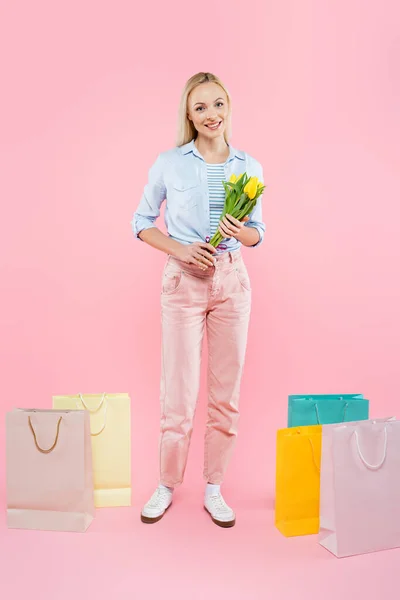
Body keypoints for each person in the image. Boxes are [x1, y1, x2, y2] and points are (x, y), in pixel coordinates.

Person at [131, 72, 266, 528]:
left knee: (226, 396)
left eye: (219, 104)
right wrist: (180, 249)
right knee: (179, 395)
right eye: (201, 108)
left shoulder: (249, 166)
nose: (212, 115)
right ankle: (167, 484)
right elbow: (142, 222)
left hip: (232, 282)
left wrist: (238, 232)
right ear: (189, 115)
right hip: (183, 283)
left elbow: (257, 234)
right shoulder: (169, 162)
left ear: (229, 107)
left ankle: (214, 487)